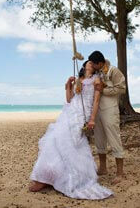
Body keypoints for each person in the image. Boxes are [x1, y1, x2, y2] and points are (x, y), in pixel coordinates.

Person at [29, 61, 113, 200]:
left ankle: (74, 178)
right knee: (54, 139)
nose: (91, 64)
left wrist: (92, 119)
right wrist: (68, 85)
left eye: (93, 63)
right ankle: (46, 177)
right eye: (89, 62)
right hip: (69, 112)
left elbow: (96, 101)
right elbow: (69, 99)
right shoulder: (78, 80)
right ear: (85, 65)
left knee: (72, 143)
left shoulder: (96, 79)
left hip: (82, 114)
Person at [88, 51, 126, 184]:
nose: (91, 65)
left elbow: (121, 89)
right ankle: (103, 168)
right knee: (99, 139)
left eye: (93, 63)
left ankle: (120, 173)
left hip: (110, 109)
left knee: (114, 138)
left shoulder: (113, 71)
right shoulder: (95, 72)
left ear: (99, 63)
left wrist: (103, 90)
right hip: (97, 110)